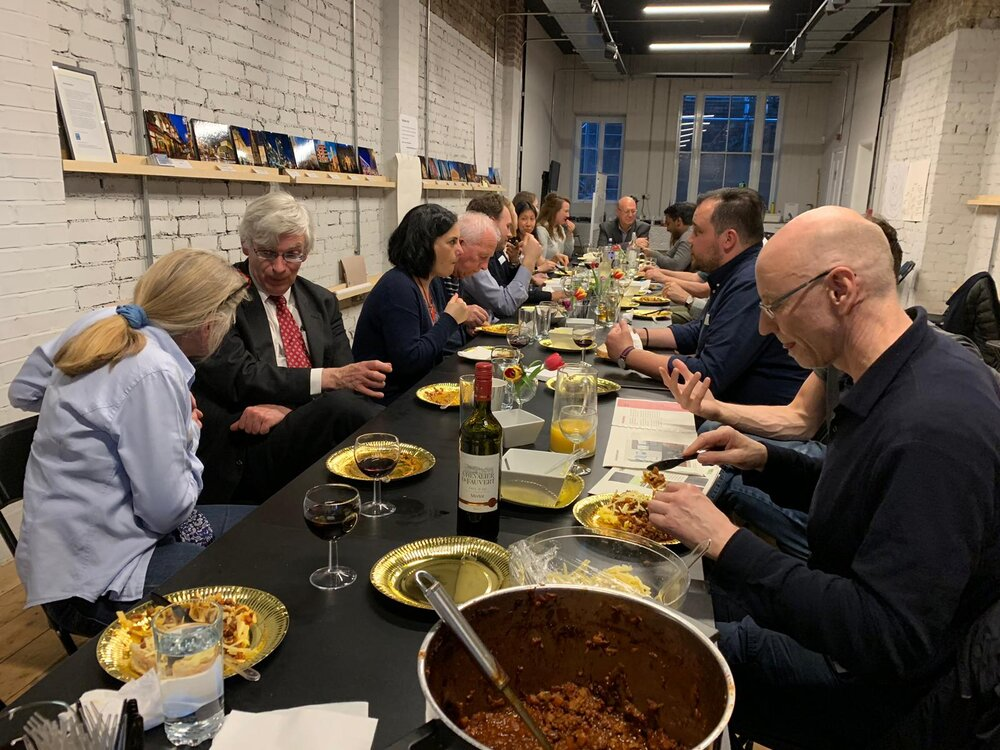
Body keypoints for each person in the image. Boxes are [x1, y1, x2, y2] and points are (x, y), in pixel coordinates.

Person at [645, 206, 1000, 748]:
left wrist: (729, 542)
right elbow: (872, 501)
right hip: (862, 637)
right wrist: (766, 460)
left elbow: (888, 636)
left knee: (673, 640)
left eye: (775, 306)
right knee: (672, 591)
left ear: (840, 289)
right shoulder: (900, 368)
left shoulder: (934, 426)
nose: (765, 326)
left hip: (887, 690)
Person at [8, 249, 254, 636]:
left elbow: (23, 391)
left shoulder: (103, 321)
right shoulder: (152, 369)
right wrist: (187, 429)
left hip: (78, 553)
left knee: (265, 530)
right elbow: (167, 511)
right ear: (210, 324)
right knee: (257, 582)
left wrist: (83, 412)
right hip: (95, 582)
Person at [193, 192, 387, 505]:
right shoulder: (221, 297)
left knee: (350, 405)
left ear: (306, 252)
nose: (280, 267)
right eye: (268, 253)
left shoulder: (321, 301)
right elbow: (239, 377)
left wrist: (292, 412)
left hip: (302, 428)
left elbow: (349, 383)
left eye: (292, 254)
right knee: (344, 411)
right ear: (246, 246)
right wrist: (327, 379)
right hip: (249, 446)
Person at [605, 188, 808, 406]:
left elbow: (708, 375)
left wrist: (627, 354)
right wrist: (638, 335)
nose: (690, 240)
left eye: (698, 232)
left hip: (747, 422)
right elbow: (700, 330)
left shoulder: (752, 282)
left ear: (728, 239)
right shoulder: (735, 272)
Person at [353, 204, 472, 402]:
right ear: (425, 246)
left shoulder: (431, 281)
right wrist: (450, 320)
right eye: (452, 242)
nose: (460, 250)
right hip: (388, 403)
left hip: (415, 392)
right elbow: (410, 361)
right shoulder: (398, 287)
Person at [650, 201, 694, 271]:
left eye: (668, 224)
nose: (667, 229)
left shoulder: (687, 237)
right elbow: (668, 255)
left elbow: (676, 266)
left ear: (678, 221)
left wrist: (652, 254)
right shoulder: (684, 235)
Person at [535, 193, 573, 265]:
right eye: (566, 211)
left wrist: (569, 234)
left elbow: (568, 254)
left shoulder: (560, 228)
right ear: (555, 211)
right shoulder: (541, 230)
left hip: (558, 270)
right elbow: (540, 262)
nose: (568, 215)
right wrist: (554, 260)